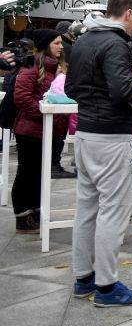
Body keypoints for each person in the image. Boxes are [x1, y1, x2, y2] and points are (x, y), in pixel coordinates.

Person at [67, 0, 132, 307]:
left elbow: (71, 88)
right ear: (128, 14)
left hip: (86, 133)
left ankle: (83, 278)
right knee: (113, 212)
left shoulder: (85, 40)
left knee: (86, 209)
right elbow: (121, 90)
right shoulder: (116, 43)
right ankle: (107, 286)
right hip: (112, 136)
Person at [11, 29, 69, 234]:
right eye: (56, 43)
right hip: (30, 130)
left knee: (40, 173)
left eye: (61, 43)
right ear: (45, 45)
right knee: (27, 172)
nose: (61, 47)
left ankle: (36, 211)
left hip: (50, 130)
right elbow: (22, 97)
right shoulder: (31, 66)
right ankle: (23, 215)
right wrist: (45, 111)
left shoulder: (59, 69)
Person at [51, 21, 77, 179]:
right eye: (57, 43)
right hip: (59, 98)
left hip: (58, 97)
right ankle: (54, 165)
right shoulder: (68, 49)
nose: (60, 46)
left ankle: (54, 164)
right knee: (58, 134)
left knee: (58, 134)